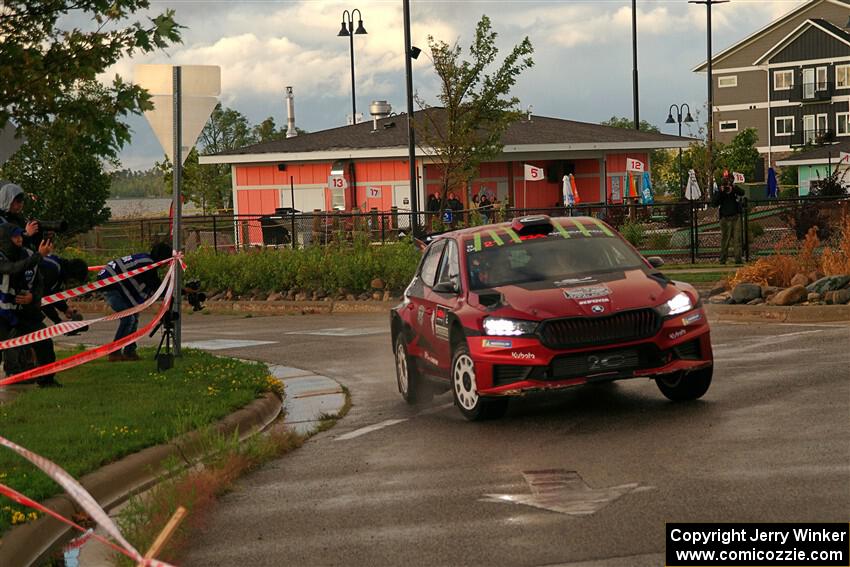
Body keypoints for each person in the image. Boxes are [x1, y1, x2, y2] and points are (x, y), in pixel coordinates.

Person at [0, 224, 58, 386]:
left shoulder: (29, 254)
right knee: (8, 346)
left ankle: (47, 380)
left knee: (44, 341)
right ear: (4, 239)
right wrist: (39, 255)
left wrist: (32, 297)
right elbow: (11, 269)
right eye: (14, 236)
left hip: (21, 313)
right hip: (2, 315)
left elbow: (39, 283)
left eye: (20, 235)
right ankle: (14, 375)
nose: (19, 238)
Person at [99, 242, 173, 361]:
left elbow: (153, 284)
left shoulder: (146, 260)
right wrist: (176, 292)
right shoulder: (148, 265)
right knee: (128, 318)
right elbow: (155, 285)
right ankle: (114, 352)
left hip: (114, 283)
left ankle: (129, 351)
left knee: (134, 315)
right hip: (111, 286)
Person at [40, 255, 89, 330]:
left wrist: (65, 309)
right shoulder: (53, 269)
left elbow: (52, 294)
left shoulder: (59, 267)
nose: (71, 285)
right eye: (73, 281)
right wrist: (58, 321)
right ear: (71, 275)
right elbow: (43, 299)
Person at [711, 175, 745, 264]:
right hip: (725, 218)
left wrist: (734, 188)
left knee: (737, 239)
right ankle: (723, 259)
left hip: (735, 217)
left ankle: (738, 259)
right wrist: (720, 192)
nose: (727, 186)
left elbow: (742, 192)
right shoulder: (720, 191)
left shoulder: (734, 190)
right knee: (725, 240)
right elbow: (714, 203)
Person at [0, 182, 39, 249]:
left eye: (22, 201)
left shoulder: (18, 218)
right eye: (18, 201)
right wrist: (26, 235)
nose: (21, 205)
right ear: (8, 200)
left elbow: (30, 244)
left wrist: (40, 234)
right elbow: (8, 247)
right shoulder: (1, 220)